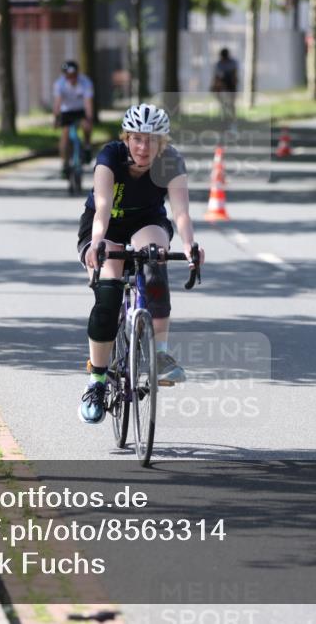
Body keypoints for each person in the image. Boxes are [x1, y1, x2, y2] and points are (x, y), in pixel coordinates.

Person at [76, 103, 205, 424]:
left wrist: (190, 245)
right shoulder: (110, 157)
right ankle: (97, 383)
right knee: (107, 297)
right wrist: (96, 244)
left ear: (162, 142)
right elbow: (103, 207)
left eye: (151, 140)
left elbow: (181, 212)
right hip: (104, 226)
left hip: (147, 222)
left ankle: (159, 355)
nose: (143, 147)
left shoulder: (170, 161)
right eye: (136, 139)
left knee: (154, 263)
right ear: (126, 138)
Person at [53, 60, 94, 178]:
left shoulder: (85, 82)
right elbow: (57, 102)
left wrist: (89, 118)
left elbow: (88, 103)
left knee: (86, 126)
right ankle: (65, 163)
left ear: (78, 74)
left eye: (74, 75)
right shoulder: (59, 84)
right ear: (64, 75)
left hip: (81, 110)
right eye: (68, 76)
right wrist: (56, 118)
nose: (71, 79)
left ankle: (87, 146)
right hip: (67, 111)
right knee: (65, 135)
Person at [211, 48, 239, 130]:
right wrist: (216, 86)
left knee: (231, 104)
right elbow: (217, 77)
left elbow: (234, 76)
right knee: (224, 105)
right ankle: (224, 121)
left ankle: (233, 121)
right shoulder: (219, 64)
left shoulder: (232, 63)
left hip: (230, 85)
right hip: (222, 85)